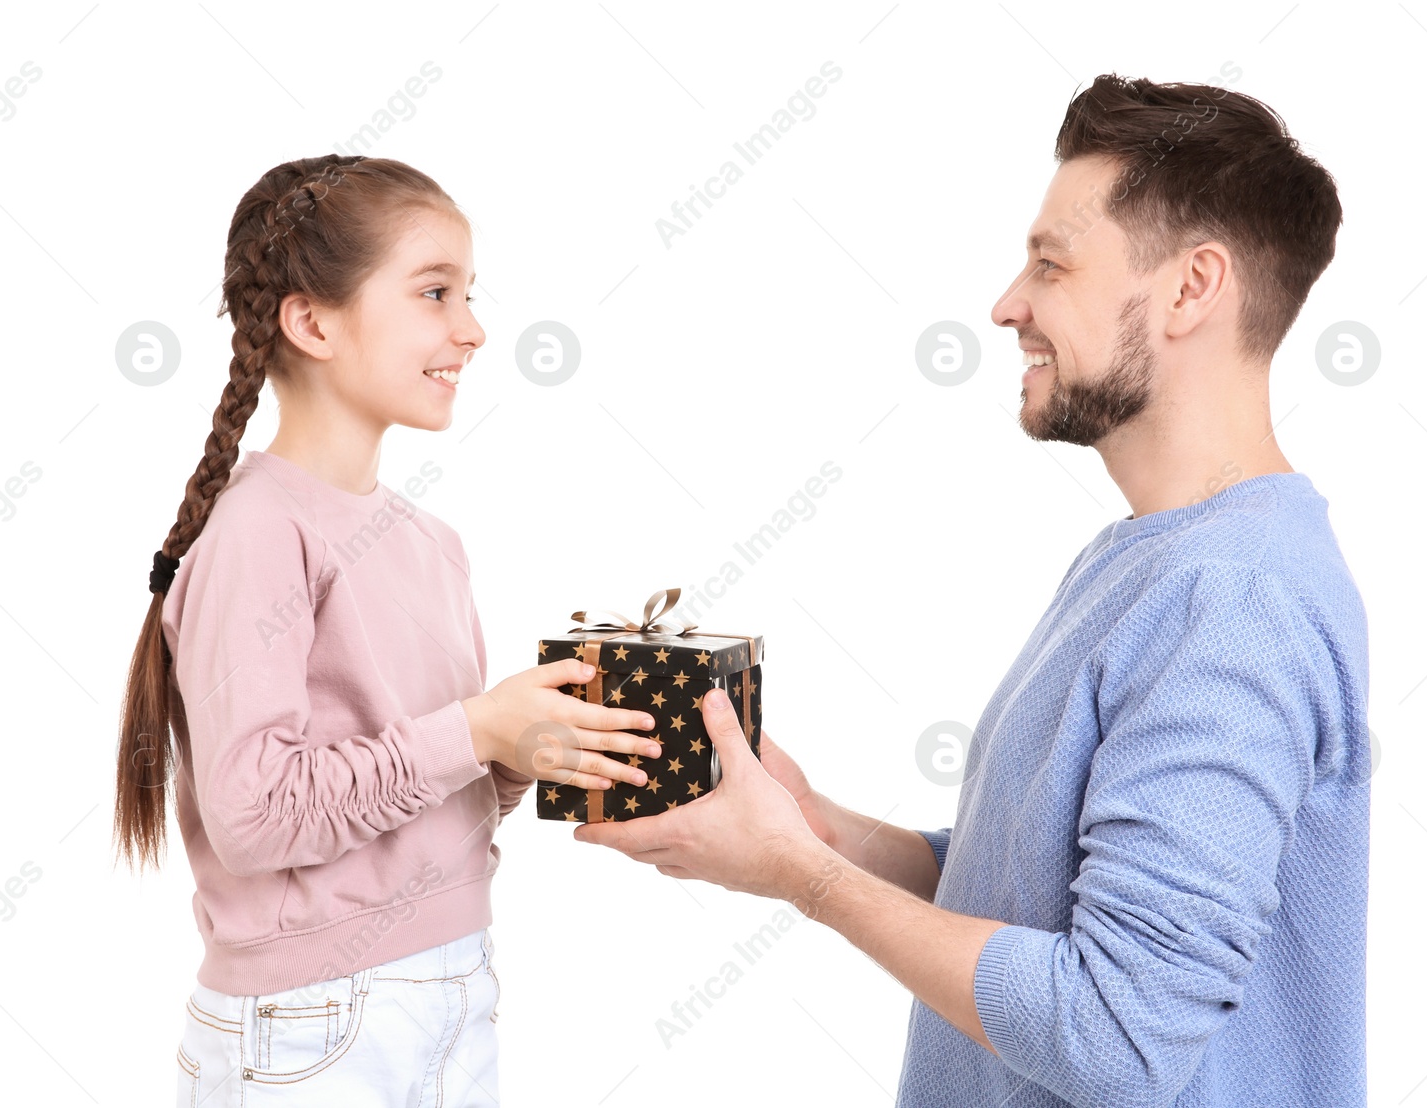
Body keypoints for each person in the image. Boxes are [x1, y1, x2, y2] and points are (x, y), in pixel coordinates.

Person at [574, 73, 1371, 1108]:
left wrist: (799, 879)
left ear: (1189, 289)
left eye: (1052, 264)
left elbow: (1117, 1037)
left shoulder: (1230, 600)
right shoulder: (1154, 560)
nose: (1008, 304)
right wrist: (816, 826)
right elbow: (1048, 897)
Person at [112, 154, 660, 1105]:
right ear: (311, 321)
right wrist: (478, 729)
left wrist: (525, 749)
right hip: (309, 1027)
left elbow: (436, 801)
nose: (474, 329)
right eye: (435, 292)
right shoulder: (257, 535)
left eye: (470, 294)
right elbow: (256, 817)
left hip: (456, 985)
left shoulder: (430, 543)